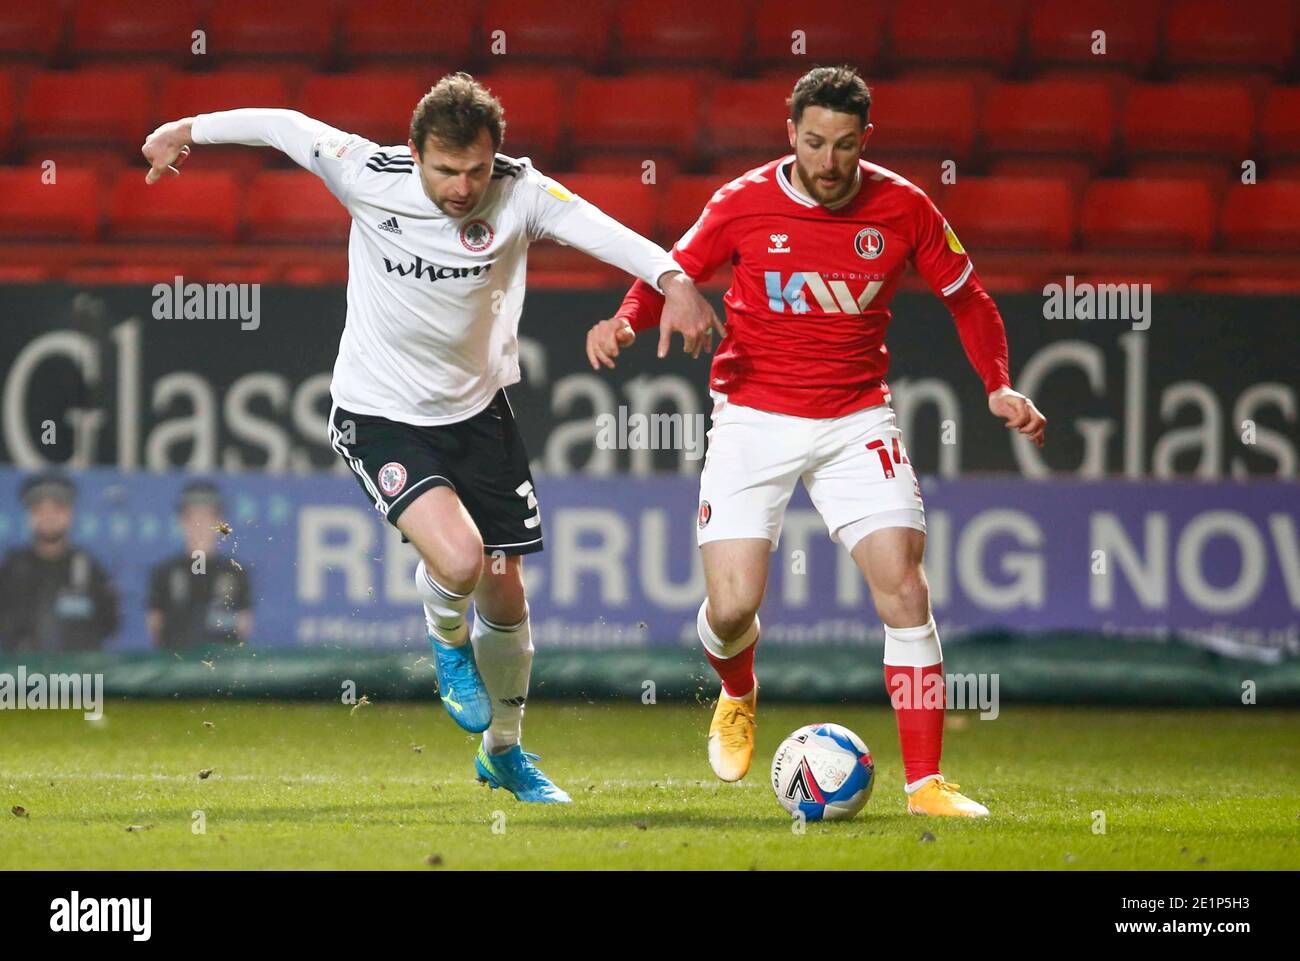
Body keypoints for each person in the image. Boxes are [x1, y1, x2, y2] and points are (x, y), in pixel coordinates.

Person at [141, 72, 719, 803]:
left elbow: (602, 230)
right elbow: (282, 122)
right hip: (378, 413)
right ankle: (448, 644)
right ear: (414, 153)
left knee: (506, 592)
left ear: (494, 156)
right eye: (446, 170)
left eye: (476, 169)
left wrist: (672, 278)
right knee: (461, 557)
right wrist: (185, 127)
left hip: (478, 415)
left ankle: (503, 750)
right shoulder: (365, 171)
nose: (462, 186)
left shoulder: (520, 191)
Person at [586, 66, 1047, 817]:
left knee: (904, 586)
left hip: (855, 418)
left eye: (844, 146)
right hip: (752, 418)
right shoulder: (742, 203)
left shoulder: (906, 206)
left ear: (867, 138)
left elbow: (970, 298)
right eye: (813, 143)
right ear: (789, 133)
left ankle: (926, 783)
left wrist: (997, 382)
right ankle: (739, 691)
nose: (828, 163)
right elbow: (668, 271)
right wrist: (626, 321)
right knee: (732, 608)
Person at [0, 471, 119, 653]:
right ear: (30, 516)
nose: (49, 517)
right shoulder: (10, 569)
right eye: (39, 509)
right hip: (23, 677)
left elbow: (110, 625)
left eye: (57, 509)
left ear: (70, 514)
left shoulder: (90, 568)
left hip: (77, 677)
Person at [147, 481, 253, 650]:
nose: (200, 525)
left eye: (207, 518)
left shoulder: (235, 572)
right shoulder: (165, 573)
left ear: (220, 522)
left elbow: (243, 626)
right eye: (193, 517)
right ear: (182, 520)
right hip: (176, 667)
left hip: (221, 668)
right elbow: (155, 627)